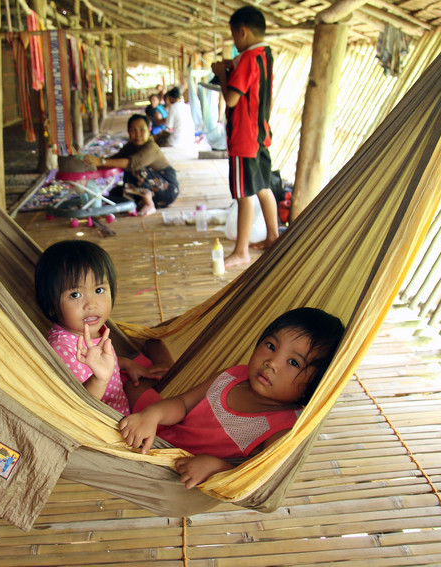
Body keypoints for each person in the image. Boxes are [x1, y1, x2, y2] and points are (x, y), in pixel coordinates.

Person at [119, 307, 345, 488]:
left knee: (134, 382)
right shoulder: (234, 376)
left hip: (180, 469)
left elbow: (258, 477)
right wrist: (152, 415)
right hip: (162, 436)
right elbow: (183, 403)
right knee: (132, 382)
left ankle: (160, 363)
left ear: (315, 384)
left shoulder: (283, 427)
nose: (272, 362)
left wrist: (217, 468)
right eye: (271, 346)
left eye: (294, 362)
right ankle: (161, 365)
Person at [34, 240, 168, 414]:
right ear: (50, 305)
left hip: (121, 409)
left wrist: (125, 363)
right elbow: (78, 407)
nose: (91, 304)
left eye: (99, 290)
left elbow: (95, 362)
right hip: (105, 428)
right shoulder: (62, 348)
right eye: (75, 294)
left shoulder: (91, 327)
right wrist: (100, 380)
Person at [211, 6, 280, 268]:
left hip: (243, 136)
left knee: (243, 194)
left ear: (242, 31)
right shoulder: (265, 55)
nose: (235, 44)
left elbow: (231, 99)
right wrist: (231, 66)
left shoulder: (248, 58)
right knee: (263, 186)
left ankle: (241, 251)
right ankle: (273, 236)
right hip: (261, 134)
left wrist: (221, 74)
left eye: (234, 37)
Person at [83, 114, 179, 217]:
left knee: (134, 167)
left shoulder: (151, 147)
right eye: (133, 130)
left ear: (149, 130)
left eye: (142, 130)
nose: (138, 134)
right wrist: (92, 164)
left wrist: (101, 162)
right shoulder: (131, 147)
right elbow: (114, 160)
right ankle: (140, 202)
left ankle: (149, 204)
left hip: (168, 190)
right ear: (128, 132)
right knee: (114, 193)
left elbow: (131, 163)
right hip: (152, 189)